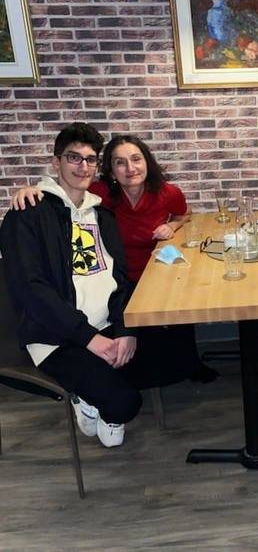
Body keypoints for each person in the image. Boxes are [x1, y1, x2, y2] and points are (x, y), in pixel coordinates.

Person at [0, 123, 194, 448]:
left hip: (106, 326)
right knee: (125, 404)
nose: (83, 166)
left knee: (180, 359)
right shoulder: (28, 215)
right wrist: (90, 339)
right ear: (56, 162)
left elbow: (119, 279)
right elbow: (32, 290)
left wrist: (125, 331)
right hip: (58, 338)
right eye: (73, 157)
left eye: (90, 159)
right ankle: (91, 395)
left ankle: (93, 386)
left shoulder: (101, 214)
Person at [11, 134, 219, 384]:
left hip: (157, 272)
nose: (130, 168)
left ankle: (191, 363)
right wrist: (31, 190)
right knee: (142, 338)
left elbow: (184, 214)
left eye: (136, 159)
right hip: (122, 280)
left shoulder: (167, 192)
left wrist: (172, 226)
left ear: (147, 162)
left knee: (179, 309)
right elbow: (64, 189)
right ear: (110, 170)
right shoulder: (100, 193)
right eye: (120, 162)